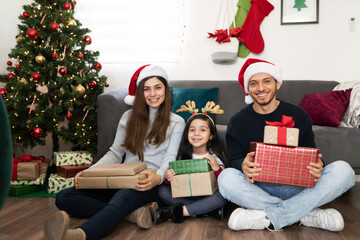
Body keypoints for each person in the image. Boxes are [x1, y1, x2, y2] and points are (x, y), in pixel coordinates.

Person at [45, 65, 185, 240]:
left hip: (150, 183)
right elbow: (115, 153)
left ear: (166, 90)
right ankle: (130, 215)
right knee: (64, 196)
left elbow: (171, 158)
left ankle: (78, 235)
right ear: (140, 93)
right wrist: (90, 173)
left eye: (158, 87)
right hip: (122, 178)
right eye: (146, 89)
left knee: (121, 198)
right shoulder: (128, 118)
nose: (153, 94)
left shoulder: (177, 122)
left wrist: (158, 177)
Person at [218, 58, 355, 232]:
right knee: (225, 178)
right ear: (248, 88)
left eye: (266, 81)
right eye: (254, 83)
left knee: (344, 170)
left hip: (297, 188)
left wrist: (319, 166)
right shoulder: (237, 122)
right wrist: (242, 164)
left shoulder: (299, 115)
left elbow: (312, 154)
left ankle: (267, 216)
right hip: (258, 188)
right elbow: (234, 160)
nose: (260, 88)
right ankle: (305, 213)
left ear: (278, 84)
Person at [155, 101, 229, 223]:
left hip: (207, 195)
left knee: (223, 196)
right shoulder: (183, 157)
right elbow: (174, 185)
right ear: (187, 134)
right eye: (192, 130)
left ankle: (181, 212)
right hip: (187, 195)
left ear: (211, 135)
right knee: (162, 191)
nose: (196, 134)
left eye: (203, 130)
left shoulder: (214, 157)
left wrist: (216, 169)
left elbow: (224, 183)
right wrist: (169, 177)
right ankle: (206, 210)